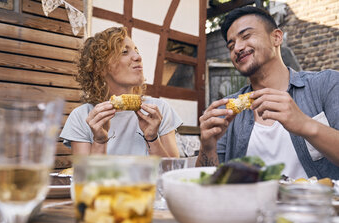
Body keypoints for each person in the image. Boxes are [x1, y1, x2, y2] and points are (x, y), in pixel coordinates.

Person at [196, 6, 339, 179]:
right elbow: (208, 183)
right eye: (231, 45)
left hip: (318, 205)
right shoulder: (226, 111)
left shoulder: (326, 84)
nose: (237, 48)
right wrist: (208, 146)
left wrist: (305, 125)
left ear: (276, 37)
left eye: (246, 36)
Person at [60, 27, 182, 157]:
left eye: (136, 51)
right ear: (101, 68)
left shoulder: (159, 110)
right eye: (124, 52)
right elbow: (85, 176)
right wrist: (99, 141)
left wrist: (152, 138)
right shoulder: (82, 117)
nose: (138, 57)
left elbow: (172, 172)